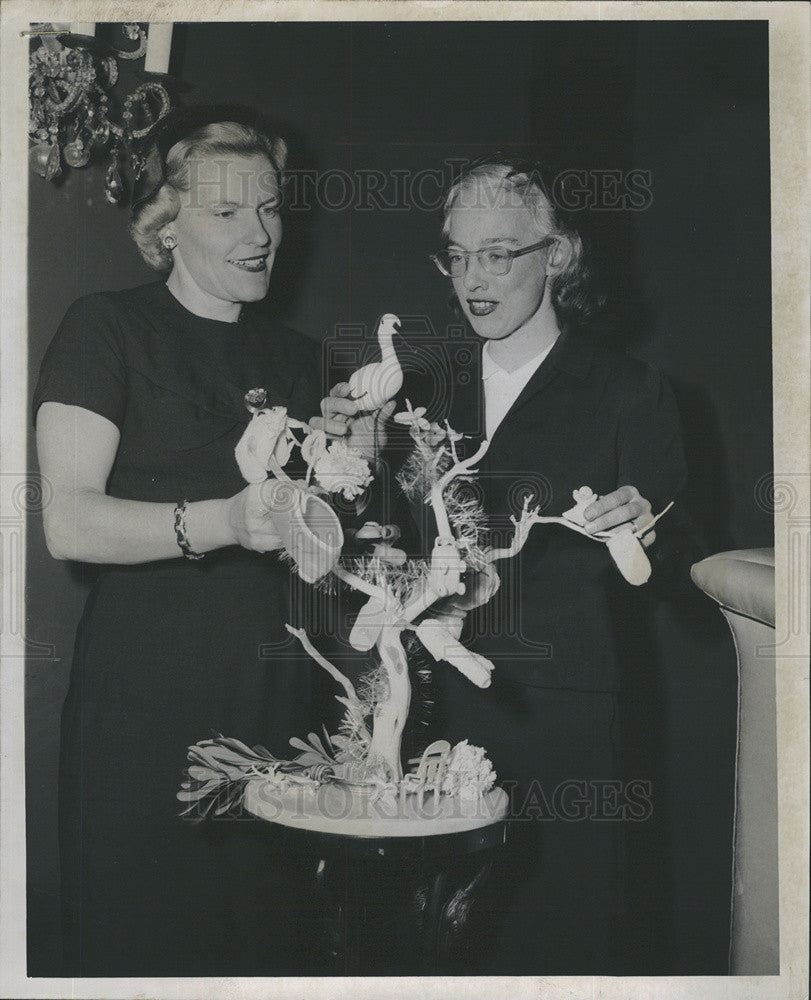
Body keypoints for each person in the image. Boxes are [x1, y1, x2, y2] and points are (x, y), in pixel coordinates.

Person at [317, 156, 700, 974]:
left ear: (556, 255)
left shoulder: (628, 391)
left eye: (498, 254)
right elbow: (364, 541)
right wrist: (337, 465)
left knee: (554, 942)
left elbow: (682, 565)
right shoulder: (417, 392)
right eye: (456, 257)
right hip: (419, 710)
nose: (472, 279)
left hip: (559, 716)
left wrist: (651, 527)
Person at [34, 105, 327, 976]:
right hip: (146, 705)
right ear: (166, 226)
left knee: (269, 948)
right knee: (149, 947)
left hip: (280, 704)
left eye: (270, 207)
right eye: (227, 212)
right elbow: (70, 522)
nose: (260, 232)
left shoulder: (311, 362)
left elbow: (326, 551)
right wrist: (229, 521)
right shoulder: (107, 329)